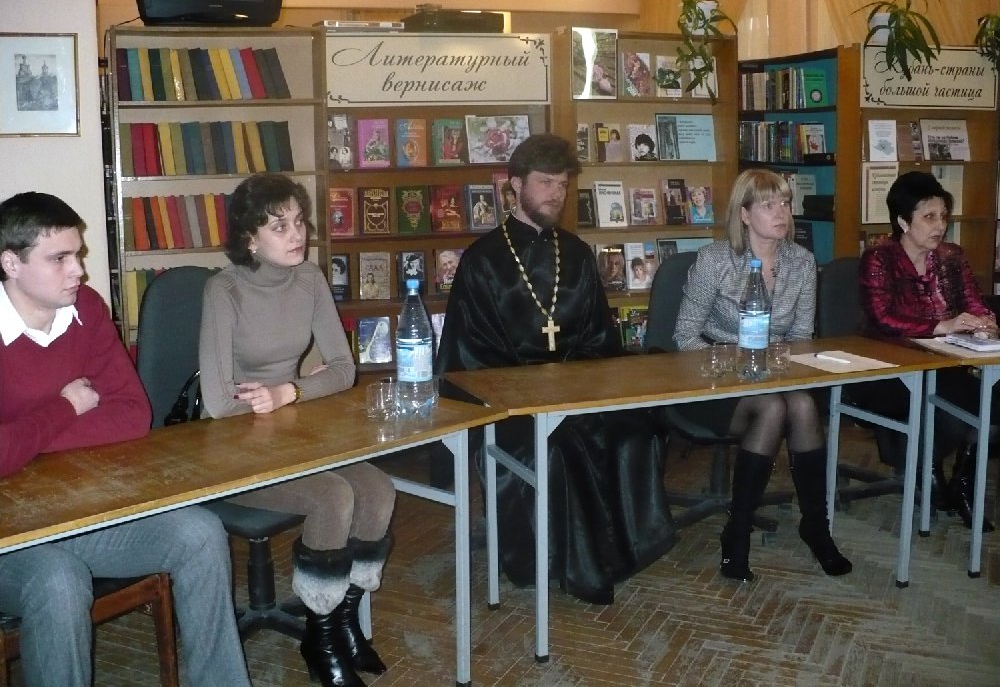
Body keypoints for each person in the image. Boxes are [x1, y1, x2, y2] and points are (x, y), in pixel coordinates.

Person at [0, 192, 251, 686]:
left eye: (78, 255)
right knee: (59, 580)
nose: (79, 271)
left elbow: (134, 414)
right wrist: (67, 407)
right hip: (10, 536)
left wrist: (22, 444)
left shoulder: (86, 309)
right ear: (11, 263)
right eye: (59, 259)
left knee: (199, 533)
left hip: (78, 510)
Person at [435, 134, 676, 604]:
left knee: (636, 429)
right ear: (515, 185)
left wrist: (570, 382)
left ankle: (622, 551)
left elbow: (599, 339)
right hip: (508, 405)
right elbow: (470, 357)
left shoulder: (578, 253)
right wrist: (534, 390)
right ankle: (564, 565)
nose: (556, 194)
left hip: (575, 389)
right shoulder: (482, 261)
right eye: (545, 183)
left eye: (563, 185)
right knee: (556, 447)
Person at [199, 174, 396, 687]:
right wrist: (298, 390)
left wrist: (289, 391)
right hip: (233, 447)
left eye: (299, 222)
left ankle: (343, 624)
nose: (297, 234)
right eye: (279, 226)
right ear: (250, 238)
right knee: (333, 496)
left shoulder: (309, 278)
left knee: (378, 489)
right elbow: (219, 403)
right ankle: (321, 639)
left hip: (291, 430)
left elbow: (344, 371)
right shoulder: (224, 290)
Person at [673, 169, 852, 582]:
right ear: (744, 214)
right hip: (713, 377)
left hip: (773, 373)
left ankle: (816, 526)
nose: (782, 213)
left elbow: (802, 337)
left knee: (802, 404)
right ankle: (737, 531)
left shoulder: (802, 262)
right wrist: (735, 359)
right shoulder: (715, 260)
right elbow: (684, 336)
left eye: (785, 203)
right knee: (773, 409)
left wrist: (777, 361)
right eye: (769, 205)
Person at [857, 170, 996, 532]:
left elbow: (973, 302)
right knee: (969, 399)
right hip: (890, 366)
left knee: (989, 397)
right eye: (929, 217)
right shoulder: (878, 259)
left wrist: (983, 322)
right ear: (904, 222)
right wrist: (941, 326)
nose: (940, 226)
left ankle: (963, 481)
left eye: (943, 216)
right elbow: (883, 318)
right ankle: (926, 465)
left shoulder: (952, 257)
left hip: (947, 362)